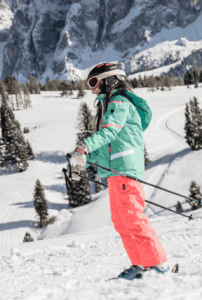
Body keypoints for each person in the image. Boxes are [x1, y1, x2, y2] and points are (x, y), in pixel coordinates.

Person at [70, 62, 170, 280]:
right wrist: (82, 161)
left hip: (125, 169)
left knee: (133, 218)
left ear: (110, 79)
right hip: (116, 172)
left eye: (94, 82)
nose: (92, 89)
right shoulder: (110, 104)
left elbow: (109, 132)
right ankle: (140, 266)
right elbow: (105, 148)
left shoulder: (119, 101)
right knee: (121, 221)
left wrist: (83, 147)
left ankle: (158, 266)